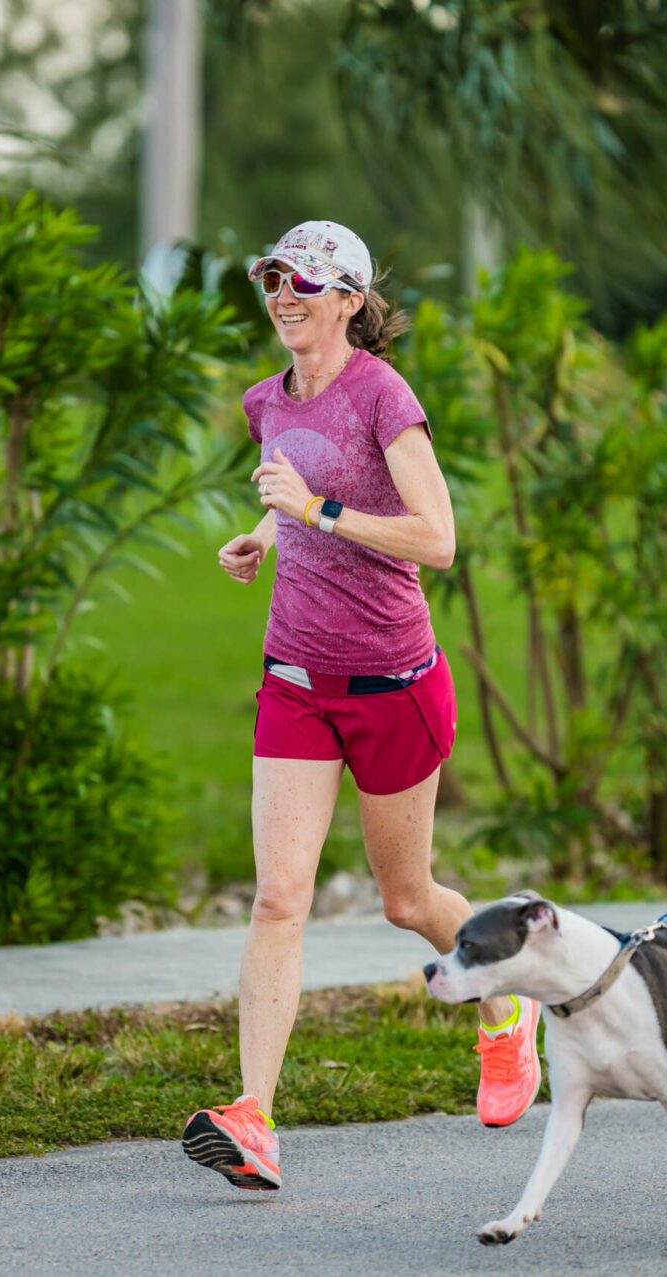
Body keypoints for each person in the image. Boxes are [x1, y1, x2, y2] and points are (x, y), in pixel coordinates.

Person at [181, 221, 539, 1192]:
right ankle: (253, 1116)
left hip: (393, 684)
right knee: (278, 895)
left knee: (407, 899)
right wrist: (265, 531)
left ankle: (507, 1007)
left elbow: (437, 538)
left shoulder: (383, 394)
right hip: (295, 678)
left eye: (304, 279)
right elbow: (293, 490)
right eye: (272, 277)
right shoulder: (267, 401)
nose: (283, 292)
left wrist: (312, 514)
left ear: (347, 298)